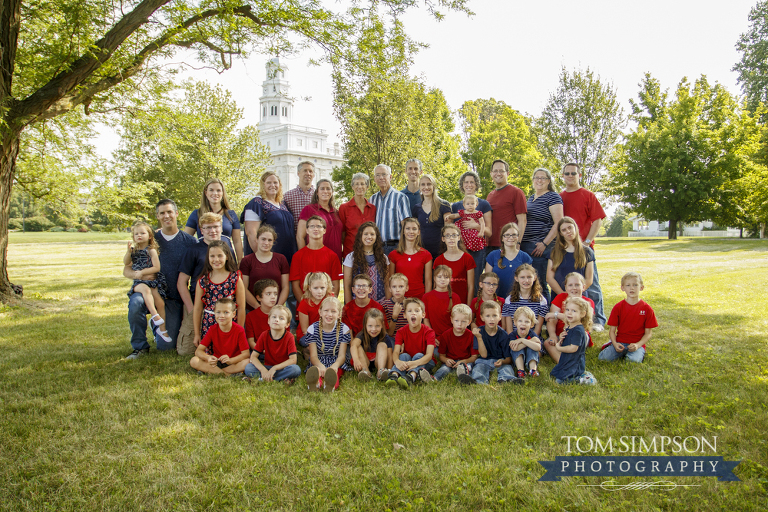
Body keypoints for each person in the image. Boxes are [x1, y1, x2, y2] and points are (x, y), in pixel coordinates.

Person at [128, 199, 196, 358]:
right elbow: (129, 267)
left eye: (169, 212)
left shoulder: (189, 242)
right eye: (162, 213)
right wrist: (136, 275)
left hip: (173, 299)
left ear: (176, 214)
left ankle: (155, 326)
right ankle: (139, 347)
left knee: (166, 347)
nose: (166, 216)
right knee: (136, 303)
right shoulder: (149, 240)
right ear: (157, 216)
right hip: (149, 290)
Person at [560, 162, 608, 331]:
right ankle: (569, 315)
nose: (570, 176)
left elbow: (597, 220)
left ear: (579, 176)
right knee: (571, 284)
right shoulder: (560, 197)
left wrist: (587, 241)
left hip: (584, 248)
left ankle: (598, 319)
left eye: (574, 173)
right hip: (566, 249)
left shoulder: (588, 195)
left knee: (591, 283)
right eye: (567, 173)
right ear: (563, 176)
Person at [177, 212, 231, 353]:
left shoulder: (227, 248)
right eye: (208, 228)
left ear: (221, 228)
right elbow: (181, 282)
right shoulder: (193, 250)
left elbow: (233, 276)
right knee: (186, 350)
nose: (212, 231)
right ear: (201, 230)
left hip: (222, 302)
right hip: (198, 303)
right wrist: (191, 309)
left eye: (215, 227)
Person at [123, 221, 171, 345]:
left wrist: (143, 272)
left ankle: (162, 329)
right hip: (139, 281)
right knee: (145, 291)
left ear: (149, 236)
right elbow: (125, 263)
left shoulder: (151, 251)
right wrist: (128, 252)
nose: (139, 236)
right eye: (136, 234)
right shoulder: (133, 251)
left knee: (160, 302)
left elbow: (156, 268)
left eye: (142, 233)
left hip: (153, 280)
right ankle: (154, 316)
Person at [520, 168, 563, 304]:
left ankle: (544, 317)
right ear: (533, 180)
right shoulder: (531, 198)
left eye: (543, 178)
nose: (539, 180)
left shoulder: (553, 196)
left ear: (548, 181)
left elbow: (558, 223)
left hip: (540, 246)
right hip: (526, 245)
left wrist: (544, 243)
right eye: (536, 177)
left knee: (540, 282)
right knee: (529, 281)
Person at [192, 240, 246, 346]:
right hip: (209, 324)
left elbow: (241, 307)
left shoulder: (235, 279)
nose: (216, 260)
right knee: (209, 358)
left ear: (226, 256)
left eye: (220, 256)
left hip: (230, 324)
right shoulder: (203, 281)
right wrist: (197, 334)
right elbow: (198, 309)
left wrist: (239, 331)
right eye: (212, 256)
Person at [599, 272, 658, 364]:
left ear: (641, 287)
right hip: (620, 342)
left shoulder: (647, 309)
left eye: (635, 285)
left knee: (632, 362)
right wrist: (615, 344)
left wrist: (638, 345)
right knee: (602, 358)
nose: (632, 288)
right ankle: (611, 345)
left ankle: (636, 352)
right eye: (628, 285)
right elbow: (612, 331)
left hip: (636, 344)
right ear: (623, 288)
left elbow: (648, 334)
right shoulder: (618, 307)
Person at [459, 301, 520, 385]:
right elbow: (483, 355)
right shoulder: (479, 332)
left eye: (494, 315)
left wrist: (502, 362)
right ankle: (477, 381)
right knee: (478, 368)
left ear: (500, 317)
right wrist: (479, 338)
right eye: (488, 316)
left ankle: (507, 380)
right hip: (484, 361)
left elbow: (508, 359)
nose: (491, 319)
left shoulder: (504, 335)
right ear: (482, 317)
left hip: (499, 361)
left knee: (507, 369)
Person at [241, 171, 296, 263]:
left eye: (275, 182)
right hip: (268, 256)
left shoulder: (283, 204)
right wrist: (262, 258)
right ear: (263, 185)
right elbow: (251, 233)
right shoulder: (256, 203)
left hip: (287, 254)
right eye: (269, 182)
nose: (272, 185)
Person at [451, 171, 493, 291]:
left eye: (472, 182)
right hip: (460, 247)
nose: (469, 185)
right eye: (466, 182)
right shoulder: (456, 206)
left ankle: (473, 306)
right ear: (462, 185)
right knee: (459, 279)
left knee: (475, 281)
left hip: (477, 248)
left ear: (476, 185)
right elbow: (451, 227)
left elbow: (489, 232)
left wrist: (476, 226)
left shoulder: (484, 205)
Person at [184, 178, 243, 261]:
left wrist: (240, 261)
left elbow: (237, 241)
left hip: (227, 258)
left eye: (218, 190)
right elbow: (185, 238)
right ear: (206, 192)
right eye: (211, 190)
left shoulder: (231, 214)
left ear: (222, 193)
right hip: (204, 259)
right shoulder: (197, 214)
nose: (215, 193)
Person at [189, 299, 250, 376]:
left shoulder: (239, 330)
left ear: (233, 314)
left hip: (233, 362)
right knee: (194, 360)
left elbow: (246, 354)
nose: (221, 316)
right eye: (218, 312)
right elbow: (198, 351)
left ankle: (211, 371)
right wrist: (208, 358)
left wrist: (231, 360)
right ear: (214, 313)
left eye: (226, 312)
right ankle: (227, 374)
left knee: (247, 362)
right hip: (217, 361)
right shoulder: (212, 329)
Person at [385, 298, 436, 388]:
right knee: (403, 356)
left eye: (417, 311)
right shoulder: (401, 332)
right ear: (404, 315)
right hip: (409, 361)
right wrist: (397, 362)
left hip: (426, 361)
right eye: (409, 311)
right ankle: (394, 375)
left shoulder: (429, 332)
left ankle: (411, 377)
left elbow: (428, 355)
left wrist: (415, 363)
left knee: (419, 355)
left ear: (423, 315)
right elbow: (396, 351)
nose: (413, 313)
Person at [303, 297, 352, 392]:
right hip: (319, 360)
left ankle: (331, 386)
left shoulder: (344, 329)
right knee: (317, 371)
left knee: (334, 373)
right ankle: (316, 384)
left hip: (336, 360)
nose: (329, 314)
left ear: (339, 314)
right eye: (326, 310)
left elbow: (341, 356)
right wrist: (320, 366)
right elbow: (313, 356)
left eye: (333, 311)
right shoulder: (312, 329)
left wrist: (335, 365)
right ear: (320, 312)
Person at [544, 272, 595, 362]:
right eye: (570, 285)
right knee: (547, 343)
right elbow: (551, 320)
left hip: (578, 336)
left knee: (575, 341)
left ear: (583, 287)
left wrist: (557, 315)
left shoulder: (588, 302)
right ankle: (564, 363)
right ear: (566, 287)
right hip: (561, 335)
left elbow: (581, 322)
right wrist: (552, 335)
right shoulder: (560, 298)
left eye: (577, 285)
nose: (574, 288)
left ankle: (570, 362)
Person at [244, 305, 301, 384]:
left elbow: (293, 360)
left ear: (287, 324)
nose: (276, 320)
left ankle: (264, 378)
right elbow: (253, 357)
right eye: (274, 317)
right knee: (248, 368)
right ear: (268, 320)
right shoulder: (264, 335)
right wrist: (263, 370)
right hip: (267, 367)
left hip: (282, 368)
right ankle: (275, 377)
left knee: (295, 369)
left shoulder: (289, 337)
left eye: (281, 318)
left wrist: (275, 368)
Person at [290, 216, 342, 301]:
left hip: (326, 308)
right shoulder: (298, 256)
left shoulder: (332, 256)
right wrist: (305, 305)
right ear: (307, 230)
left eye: (319, 226)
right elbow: (295, 285)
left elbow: (336, 285)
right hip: (305, 306)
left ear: (324, 230)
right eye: (312, 226)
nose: (315, 229)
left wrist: (328, 305)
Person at [239, 225, 289, 312]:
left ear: (273, 242)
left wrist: (278, 307)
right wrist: (258, 307)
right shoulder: (247, 260)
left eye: (270, 240)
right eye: (263, 239)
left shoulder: (281, 259)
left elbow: (285, 287)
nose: (266, 243)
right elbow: (244, 288)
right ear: (257, 239)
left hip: (275, 309)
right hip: (252, 309)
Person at [550, 296, 596, 385]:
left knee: (560, 382)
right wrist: (561, 337)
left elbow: (573, 348)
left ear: (582, 314)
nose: (569, 313)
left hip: (574, 362)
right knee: (554, 374)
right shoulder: (570, 325)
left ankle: (583, 379)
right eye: (567, 310)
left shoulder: (578, 330)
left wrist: (559, 348)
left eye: (574, 311)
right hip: (567, 359)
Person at [547, 217, 594, 301]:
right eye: (564, 230)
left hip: (580, 297)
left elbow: (589, 279)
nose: (568, 231)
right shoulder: (554, 252)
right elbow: (549, 278)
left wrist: (576, 294)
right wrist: (564, 295)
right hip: (559, 296)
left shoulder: (587, 251)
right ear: (561, 233)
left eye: (570, 227)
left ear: (575, 228)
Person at [486, 159, 527, 253]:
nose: (498, 173)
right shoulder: (490, 195)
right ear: (491, 174)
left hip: (508, 244)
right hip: (490, 245)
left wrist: (518, 243)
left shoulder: (516, 192)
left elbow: (522, 220)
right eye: (495, 171)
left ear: (507, 173)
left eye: (501, 171)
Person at [342, 222, 389, 303]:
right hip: (358, 303)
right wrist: (349, 307)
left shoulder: (383, 258)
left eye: (372, 234)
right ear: (360, 236)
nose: (369, 237)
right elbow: (347, 285)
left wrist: (388, 305)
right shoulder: (351, 258)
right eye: (366, 234)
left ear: (376, 237)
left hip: (380, 303)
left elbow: (387, 284)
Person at [297, 178, 343, 260]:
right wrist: (303, 257)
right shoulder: (309, 209)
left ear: (332, 192)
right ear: (317, 192)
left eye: (328, 189)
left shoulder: (336, 212)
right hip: (316, 257)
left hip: (336, 258)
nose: (325, 191)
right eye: (322, 188)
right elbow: (300, 236)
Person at [370, 164, 411, 255]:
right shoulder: (372, 199)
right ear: (374, 178)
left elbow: (406, 224)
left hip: (395, 247)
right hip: (376, 247)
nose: (381, 177)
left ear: (390, 177)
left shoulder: (400, 198)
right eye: (378, 175)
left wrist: (405, 247)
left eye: (384, 174)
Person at [387, 218, 432, 298]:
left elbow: (428, 282)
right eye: (408, 228)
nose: (411, 232)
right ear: (403, 232)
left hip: (419, 298)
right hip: (399, 298)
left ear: (418, 232)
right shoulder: (393, 254)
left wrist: (426, 301)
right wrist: (390, 301)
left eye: (414, 229)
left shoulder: (426, 255)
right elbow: (390, 281)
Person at [485, 223, 532, 299]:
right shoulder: (493, 255)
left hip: (517, 299)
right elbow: (487, 280)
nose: (511, 237)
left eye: (514, 235)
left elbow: (530, 280)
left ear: (518, 237)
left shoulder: (525, 257)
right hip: (497, 299)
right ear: (502, 238)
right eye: (507, 235)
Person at [433, 304, 478, 381]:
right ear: (451, 320)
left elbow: (474, 357)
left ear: (469, 322)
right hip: (451, 362)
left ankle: (465, 378)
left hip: (465, 361)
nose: (459, 324)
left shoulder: (471, 336)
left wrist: (465, 361)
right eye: (456, 321)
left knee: (470, 367)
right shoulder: (445, 335)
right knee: (444, 369)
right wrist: (446, 360)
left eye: (463, 321)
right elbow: (442, 356)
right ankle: (434, 379)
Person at [412, 173, 452, 259]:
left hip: (440, 253)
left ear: (433, 186)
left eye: (429, 184)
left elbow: (449, 231)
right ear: (419, 187)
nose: (426, 187)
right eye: (423, 184)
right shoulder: (416, 208)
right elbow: (414, 231)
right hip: (421, 253)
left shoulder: (444, 205)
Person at [501, 264, 548, 337]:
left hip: (532, 340)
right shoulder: (509, 300)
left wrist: (527, 342)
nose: (526, 280)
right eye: (522, 277)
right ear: (516, 278)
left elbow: (537, 330)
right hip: (514, 340)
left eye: (529, 277)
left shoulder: (541, 301)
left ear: (534, 278)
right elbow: (509, 329)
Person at [434, 224, 476, 305]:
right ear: (443, 239)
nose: (451, 238)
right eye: (448, 236)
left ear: (459, 237)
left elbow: (471, 286)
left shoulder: (468, 258)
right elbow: (436, 285)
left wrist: (469, 307)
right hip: (443, 302)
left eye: (454, 235)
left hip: (462, 302)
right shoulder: (439, 260)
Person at [349, 309, 395, 382]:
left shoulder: (384, 336)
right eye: (370, 326)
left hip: (379, 362)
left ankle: (380, 372)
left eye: (377, 326)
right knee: (358, 346)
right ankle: (366, 372)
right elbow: (353, 345)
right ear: (365, 325)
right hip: (365, 361)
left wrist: (390, 369)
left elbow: (390, 355)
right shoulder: (362, 334)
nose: (373, 329)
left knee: (382, 344)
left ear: (382, 325)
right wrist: (356, 360)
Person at [338, 173, 376, 258]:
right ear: (352, 187)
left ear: (367, 187)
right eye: (356, 184)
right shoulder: (344, 208)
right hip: (350, 253)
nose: (359, 186)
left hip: (369, 253)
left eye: (362, 184)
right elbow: (342, 233)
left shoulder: (372, 208)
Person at [422, 265, 461, 339]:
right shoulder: (426, 297)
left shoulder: (455, 297)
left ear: (450, 279)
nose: (442, 279)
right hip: (433, 337)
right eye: (439, 277)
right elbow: (426, 319)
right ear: (434, 278)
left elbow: (458, 320)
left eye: (446, 277)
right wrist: (432, 336)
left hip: (451, 337)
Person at [296, 272, 334, 346]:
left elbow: (334, 320)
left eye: (322, 288)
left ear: (327, 287)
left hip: (327, 331)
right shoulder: (305, 303)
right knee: (315, 344)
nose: (319, 291)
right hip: (308, 334)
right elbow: (305, 329)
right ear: (309, 288)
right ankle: (308, 351)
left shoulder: (330, 299)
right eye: (315, 288)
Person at [244, 279, 279, 350]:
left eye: (275, 294)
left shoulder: (282, 314)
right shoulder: (250, 316)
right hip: (258, 350)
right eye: (268, 294)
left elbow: (287, 338)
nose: (273, 297)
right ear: (259, 297)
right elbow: (250, 341)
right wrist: (260, 350)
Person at [283, 160, 316, 234]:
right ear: (298, 173)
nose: (308, 173)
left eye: (310, 171)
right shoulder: (287, 196)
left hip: (314, 238)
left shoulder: (318, 195)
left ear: (313, 175)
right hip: (294, 237)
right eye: (305, 171)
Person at [509, 306, 542, 379]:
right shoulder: (513, 335)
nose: (523, 324)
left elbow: (538, 347)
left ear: (532, 324)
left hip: (529, 357)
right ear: (515, 322)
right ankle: (521, 371)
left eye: (527, 321)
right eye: (520, 321)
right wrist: (530, 341)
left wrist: (522, 340)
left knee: (532, 348)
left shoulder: (532, 334)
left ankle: (533, 370)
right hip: (518, 359)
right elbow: (515, 348)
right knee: (519, 349)